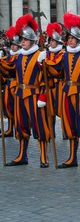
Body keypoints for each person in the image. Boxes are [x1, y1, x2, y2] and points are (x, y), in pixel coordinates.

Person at [44, 13, 80, 170]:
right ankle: (72, 157)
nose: (71, 40)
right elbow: (57, 72)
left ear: (78, 39)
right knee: (70, 126)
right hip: (67, 93)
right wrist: (44, 64)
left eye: (73, 38)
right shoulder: (64, 56)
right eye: (69, 38)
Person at [0, 14, 50, 167]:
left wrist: (43, 96)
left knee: (39, 125)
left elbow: (46, 80)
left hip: (35, 95)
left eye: (25, 39)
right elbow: (8, 69)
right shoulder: (19, 56)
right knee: (21, 126)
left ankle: (44, 157)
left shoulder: (39, 56)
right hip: (20, 95)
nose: (22, 42)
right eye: (21, 39)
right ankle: (22, 155)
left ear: (33, 41)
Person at [1, 26, 21, 137]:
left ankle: (18, 128)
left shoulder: (20, 57)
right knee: (7, 107)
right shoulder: (7, 57)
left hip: (17, 84)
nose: (13, 47)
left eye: (15, 45)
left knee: (17, 108)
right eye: (12, 45)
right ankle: (9, 129)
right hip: (8, 84)